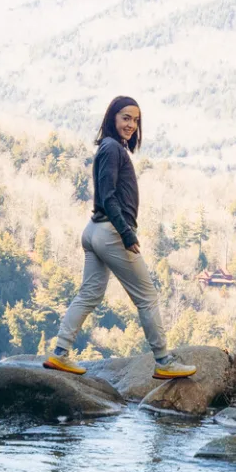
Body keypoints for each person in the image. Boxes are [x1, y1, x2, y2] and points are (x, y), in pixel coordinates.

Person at [46, 96, 195, 378]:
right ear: (112, 117)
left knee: (89, 294)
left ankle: (60, 354)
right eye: (126, 117)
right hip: (111, 232)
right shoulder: (113, 149)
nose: (131, 124)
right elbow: (108, 195)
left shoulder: (109, 147)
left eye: (136, 120)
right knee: (147, 297)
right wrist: (126, 234)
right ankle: (164, 362)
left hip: (94, 230)